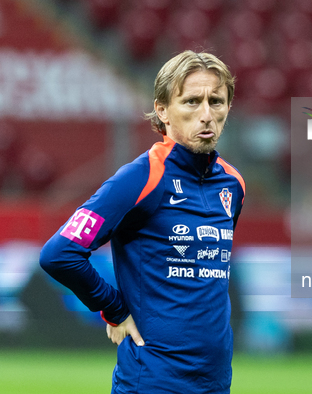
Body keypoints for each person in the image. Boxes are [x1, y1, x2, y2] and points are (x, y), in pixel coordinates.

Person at [40, 50, 245, 394]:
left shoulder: (233, 184)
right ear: (163, 110)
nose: (207, 115)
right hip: (152, 381)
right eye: (192, 102)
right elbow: (59, 253)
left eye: (216, 101)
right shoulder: (141, 177)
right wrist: (115, 309)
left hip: (215, 382)